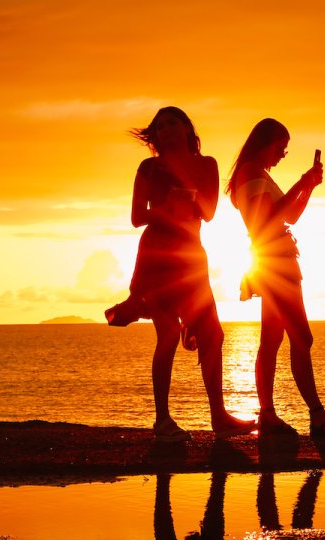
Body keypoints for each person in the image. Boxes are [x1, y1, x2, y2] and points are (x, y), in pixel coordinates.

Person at [105, 106, 255, 443]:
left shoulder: (207, 165)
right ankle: (162, 421)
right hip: (157, 256)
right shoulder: (149, 167)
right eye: (159, 126)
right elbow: (135, 217)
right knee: (168, 334)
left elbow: (210, 211)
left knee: (213, 334)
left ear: (187, 127)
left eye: (172, 122)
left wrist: (187, 197)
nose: (166, 129)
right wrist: (165, 207)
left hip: (190, 257)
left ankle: (219, 417)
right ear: (155, 137)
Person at [225, 119, 325, 438]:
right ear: (265, 143)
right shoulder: (251, 172)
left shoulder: (259, 174)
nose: (282, 155)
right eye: (281, 148)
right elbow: (267, 218)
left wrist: (308, 186)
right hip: (274, 261)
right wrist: (300, 181)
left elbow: (291, 215)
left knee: (272, 340)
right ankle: (316, 416)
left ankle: (268, 414)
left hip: (274, 259)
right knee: (300, 337)